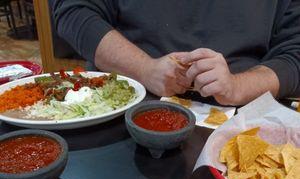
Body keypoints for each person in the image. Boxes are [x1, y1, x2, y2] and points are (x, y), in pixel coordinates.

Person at [52, 1, 300, 105]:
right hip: (122, 105)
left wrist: (237, 86)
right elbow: (74, 12)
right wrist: (145, 69)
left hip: (244, 118)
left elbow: (295, 53)